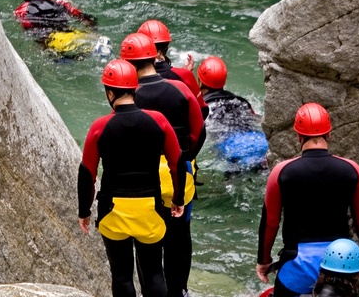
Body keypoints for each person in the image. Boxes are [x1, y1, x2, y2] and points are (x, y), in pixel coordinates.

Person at [77, 58, 185, 297]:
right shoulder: (158, 121)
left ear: (109, 92)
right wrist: (178, 199)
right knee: (154, 273)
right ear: (135, 88)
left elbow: (87, 173)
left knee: (122, 275)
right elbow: (176, 163)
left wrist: (84, 211)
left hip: (113, 210)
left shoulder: (99, 127)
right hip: (150, 209)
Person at [256, 103, 359, 297]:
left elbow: (270, 222)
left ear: (298, 136)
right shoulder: (352, 169)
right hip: (341, 265)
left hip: (298, 264)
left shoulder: (281, 172)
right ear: (328, 134)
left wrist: (263, 260)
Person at [120, 33, 203, 297]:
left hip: (143, 175)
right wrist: (186, 157)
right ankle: (180, 290)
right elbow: (199, 129)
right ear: (155, 57)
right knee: (180, 236)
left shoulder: (129, 96)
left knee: (148, 241)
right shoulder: (179, 87)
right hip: (179, 169)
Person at [197, 56, 267, 172]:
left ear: (200, 81)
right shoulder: (242, 102)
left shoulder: (202, 108)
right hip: (260, 141)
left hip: (232, 148)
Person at [137, 19, 208, 119]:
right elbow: (203, 111)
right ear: (166, 46)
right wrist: (185, 76)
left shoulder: (132, 79)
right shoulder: (183, 76)